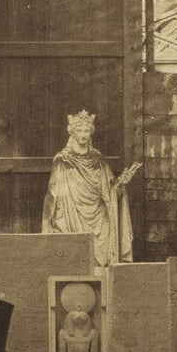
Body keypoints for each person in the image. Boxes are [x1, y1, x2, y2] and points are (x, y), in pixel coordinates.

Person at [41, 109, 140, 267]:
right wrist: (49, 223)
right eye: (79, 130)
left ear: (91, 133)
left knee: (100, 266)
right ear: (72, 132)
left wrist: (120, 185)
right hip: (70, 215)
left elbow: (110, 191)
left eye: (86, 130)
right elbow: (52, 194)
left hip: (99, 218)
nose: (83, 134)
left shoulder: (99, 160)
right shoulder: (62, 160)